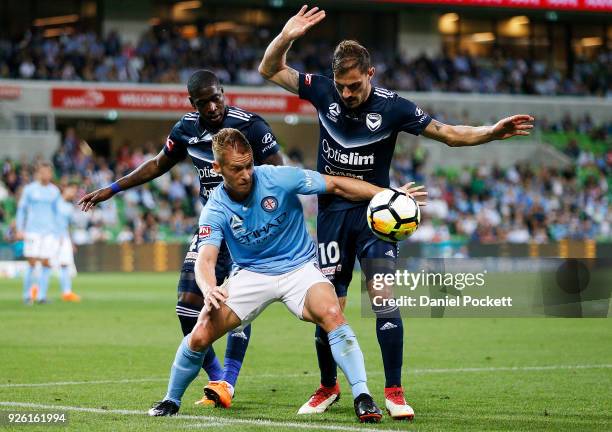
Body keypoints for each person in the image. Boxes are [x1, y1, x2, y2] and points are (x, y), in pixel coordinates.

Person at [258, 5, 534, 419]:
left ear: (370, 74)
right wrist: (286, 35)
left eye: (354, 85)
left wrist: (491, 132)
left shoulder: (394, 107)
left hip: (377, 216)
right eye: (341, 86)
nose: (347, 94)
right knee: (328, 307)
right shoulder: (321, 90)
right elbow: (269, 69)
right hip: (332, 214)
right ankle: (328, 386)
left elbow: (448, 134)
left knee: (384, 298)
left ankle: (394, 390)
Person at [147, 127, 426, 422]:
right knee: (201, 330)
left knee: (332, 312)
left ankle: (363, 395)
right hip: (251, 274)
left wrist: (389, 195)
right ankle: (170, 399)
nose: (246, 174)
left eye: (248, 166)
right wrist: (208, 287)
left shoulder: (279, 177)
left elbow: (335, 184)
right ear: (217, 168)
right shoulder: (215, 207)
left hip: (299, 268)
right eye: (236, 169)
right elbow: (205, 259)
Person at [78, 70, 283, 407]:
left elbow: (278, 168)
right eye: (204, 102)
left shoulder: (251, 126)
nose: (213, 106)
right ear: (194, 104)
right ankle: (217, 377)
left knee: (237, 309)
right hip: (212, 227)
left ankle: (226, 384)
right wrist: (112, 189)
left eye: (216, 97)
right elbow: (158, 164)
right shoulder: (186, 129)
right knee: (187, 307)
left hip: (251, 230)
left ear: (223, 92)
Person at [16, 161, 60, 304]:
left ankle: (41, 296)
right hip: (32, 231)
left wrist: (58, 232)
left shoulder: (54, 191)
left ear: (51, 174)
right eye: (43, 172)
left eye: (48, 172)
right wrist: (19, 229)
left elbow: (57, 213)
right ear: (38, 173)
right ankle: (27, 296)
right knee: (32, 263)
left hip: (49, 232)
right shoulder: (30, 189)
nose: (46, 174)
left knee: (46, 263)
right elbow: (21, 210)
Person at [55, 182, 81, 302]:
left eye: (75, 192)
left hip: (64, 238)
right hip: (51, 237)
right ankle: (35, 291)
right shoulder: (54, 202)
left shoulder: (69, 207)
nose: (73, 194)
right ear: (65, 189)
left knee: (65, 265)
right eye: (72, 190)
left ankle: (67, 293)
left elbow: (69, 226)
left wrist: (71, 242)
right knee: (44, 264)